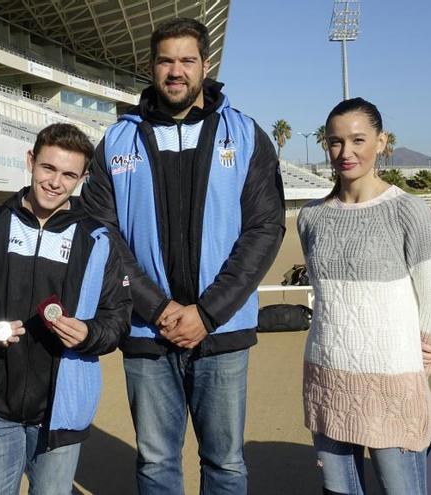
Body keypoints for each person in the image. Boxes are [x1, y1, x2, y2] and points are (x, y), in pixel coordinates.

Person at [80, 17, 285, 495]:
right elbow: (104, 236)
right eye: (166, 60)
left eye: (187, 60)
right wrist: (158, 308)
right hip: (147, 333)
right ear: (151, 67)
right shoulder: (116, 141)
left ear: (205, 65)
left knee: (226, 464)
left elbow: (264, 230)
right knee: (155, 464)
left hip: (223, 332)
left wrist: (207, 313)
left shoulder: (246, 134)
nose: (176, 71)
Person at [298, 97, 431, 495]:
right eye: (335, 142)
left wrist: (424, 353)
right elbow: (326, 295)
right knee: (338, 489)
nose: (345, 152)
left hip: (391, 382)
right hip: (327, 373)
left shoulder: (409, 211)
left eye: (358, 140)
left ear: (381, 142)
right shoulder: (311, 216)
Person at [0, 123, 131, 495]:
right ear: (31, 161)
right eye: (48, 168)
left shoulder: (98, 240)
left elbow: (117, 318)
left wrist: (89, 334)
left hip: (60, 413)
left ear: (84, 178)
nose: (56, 182)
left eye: (69, 174)